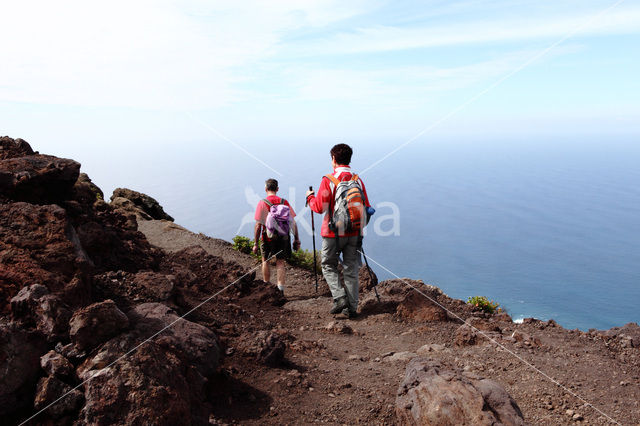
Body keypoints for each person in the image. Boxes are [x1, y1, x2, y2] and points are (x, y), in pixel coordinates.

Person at [306, 144, 371, 317]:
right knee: (351, 268)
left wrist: (310, 197)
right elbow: (367, 207)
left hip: (332, 232)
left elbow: (319, 207)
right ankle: (352, 308)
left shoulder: (328, 179)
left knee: (328, 264)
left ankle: (339, 297)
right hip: (354, 232)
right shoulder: (357, 179)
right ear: (349, 158)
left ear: (333, 159)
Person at [253, 178, 300, 293]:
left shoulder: (262, 203)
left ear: (265, 189)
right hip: (283, 237)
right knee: (280, 262)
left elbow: (258, 225)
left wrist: (255, 243)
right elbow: (293, 222)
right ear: (277, 189)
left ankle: (266, 287)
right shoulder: (284, 202)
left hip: (267, 237)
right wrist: (296, 240)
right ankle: (280, 289)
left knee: (265, 260)